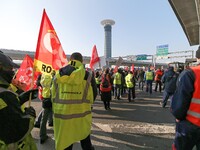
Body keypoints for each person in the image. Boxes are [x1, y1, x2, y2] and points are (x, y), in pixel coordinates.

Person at [51, 52, 97, 150]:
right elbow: (94, 93)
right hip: (82, 115)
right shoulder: (88, 75)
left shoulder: (58, 73)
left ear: (70, 60)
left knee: (66, 143)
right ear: (81, 61)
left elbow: (53, 94)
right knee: (85, 142)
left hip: (63, 115)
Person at [0, 51, 38, 149]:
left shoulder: (5, 92)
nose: (12, 71)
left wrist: (20, 99)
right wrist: (30, 115)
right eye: (9, 68)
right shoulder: (4, 95)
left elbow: (5, 111)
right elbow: (18, 131)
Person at [171, 47, 200, 150]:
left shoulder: (190, 73)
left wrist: (178, 116)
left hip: (189, 124)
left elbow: (180, 103)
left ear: (197, 57)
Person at [39, 71, 54, 144]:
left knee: (44, 118)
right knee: (56, 116)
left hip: (45, 97)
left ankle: (42, 136)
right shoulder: (56, 73)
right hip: (54, 98)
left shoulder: (44, 74)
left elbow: (38, 83)